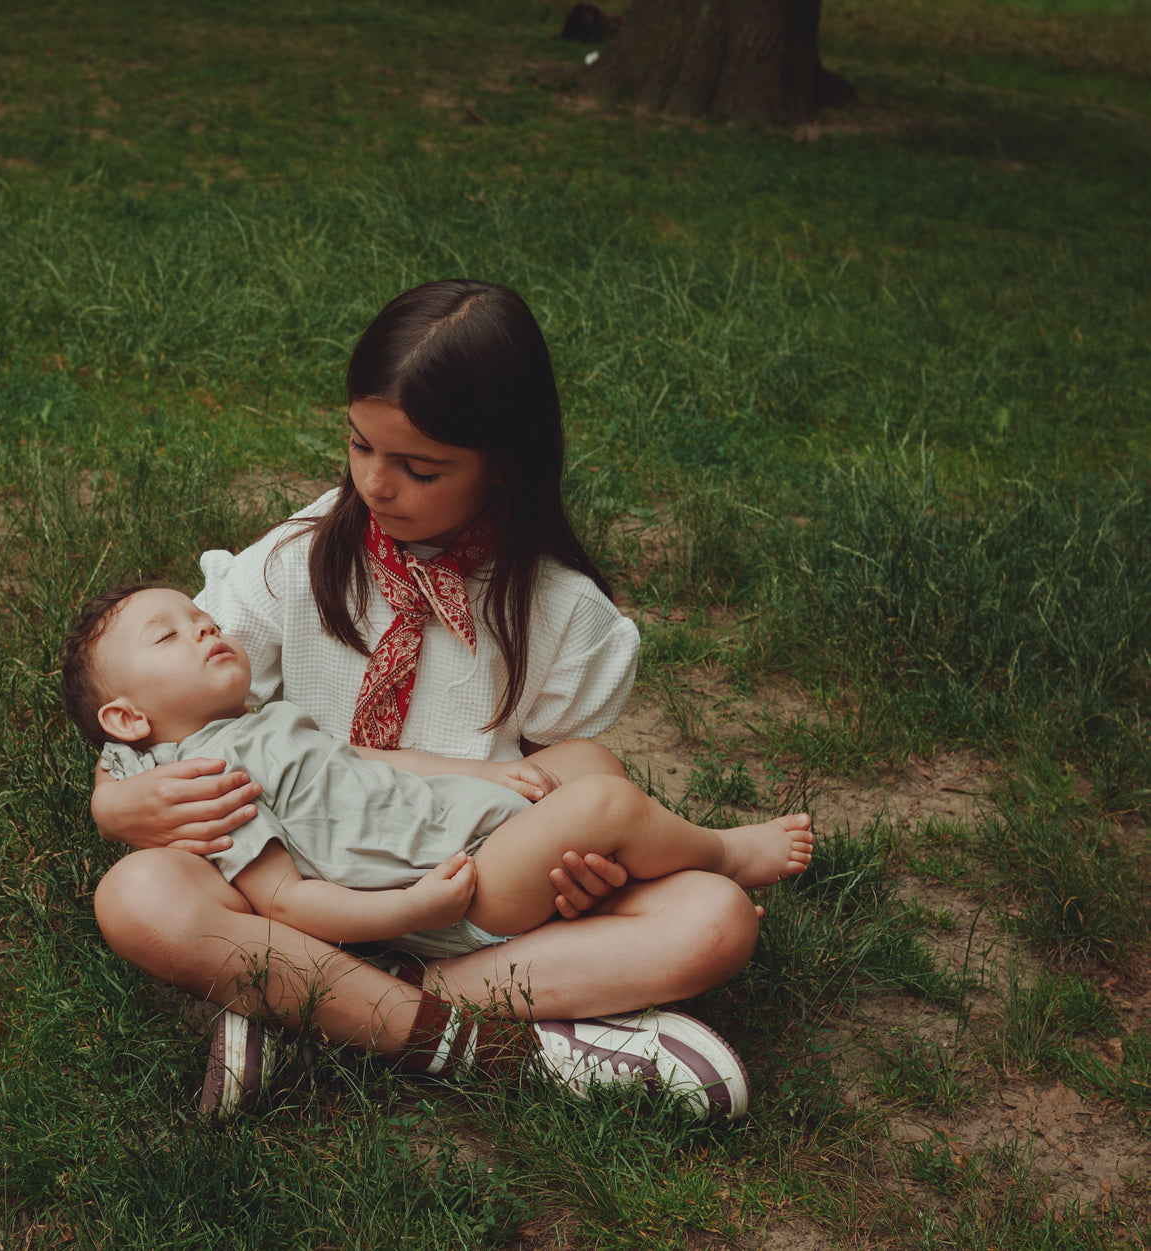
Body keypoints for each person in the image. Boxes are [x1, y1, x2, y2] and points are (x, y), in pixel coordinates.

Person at [87, 279, 781, 1118]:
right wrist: (117, 807)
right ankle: (472, 1034)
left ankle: (318, 1003)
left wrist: (585, 868)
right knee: (137, 893)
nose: (375, 484)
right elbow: (150, 709)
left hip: (460, 872)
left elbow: (549, 784)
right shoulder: (293, 562)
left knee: (715, 918)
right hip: (286, 866)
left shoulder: (563, 617)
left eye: (418, 468)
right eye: (358, 446)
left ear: (504, 465)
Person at [68, 585, 813, 959]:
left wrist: (478, 774)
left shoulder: (258, 720)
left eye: (202, 617)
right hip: (449, 887)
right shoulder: (201, 787)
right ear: (129, 719)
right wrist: (411, 909)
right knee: (606, 805)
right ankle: (724, 854)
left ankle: (660, 897)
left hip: (445, 818)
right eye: (169, 634)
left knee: (584, 762)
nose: (203, 627)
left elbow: (369, 758)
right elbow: (287, 903)